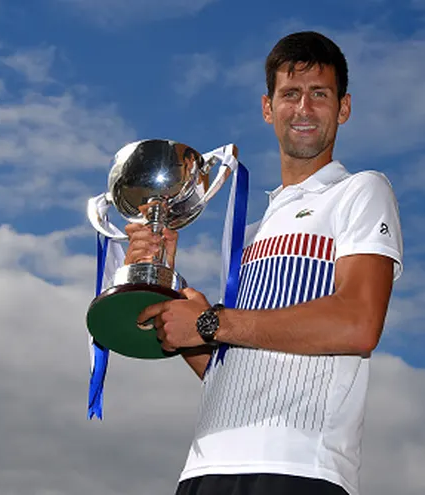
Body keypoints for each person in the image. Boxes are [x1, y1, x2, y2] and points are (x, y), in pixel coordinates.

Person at [126, 31, 403, 495]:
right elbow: (227, 366)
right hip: (203, 470)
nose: (304, 109)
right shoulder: (252, 231)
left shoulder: (361, 191)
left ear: (344, 108)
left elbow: (358, 323)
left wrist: (212, 321)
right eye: (290, 94)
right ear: (268, 108)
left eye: (320, 94)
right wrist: (166, 287)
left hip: (298, 469)